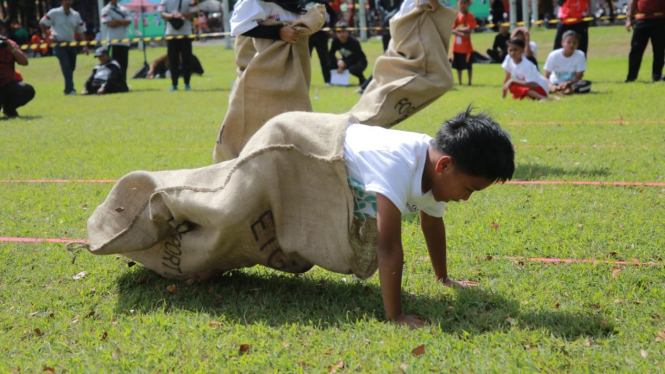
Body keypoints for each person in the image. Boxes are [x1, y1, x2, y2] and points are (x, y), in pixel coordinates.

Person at [39, 0, 88, 95]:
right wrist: (47, 36)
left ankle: (69, 87)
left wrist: (85, 46)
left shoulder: (76, 14)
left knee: (71, 67)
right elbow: (42, 23)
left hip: (71, 44)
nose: (68, 2)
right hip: (59, 44)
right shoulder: (54, 12)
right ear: (61, 2)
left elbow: (80, 31)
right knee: (66, 66)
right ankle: (69, 89)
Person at [159, 0, 197, 91]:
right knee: (172, 60)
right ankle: (174, 84)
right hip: (171, 34)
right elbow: (162, 13)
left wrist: (182, 15)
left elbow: (193, 13)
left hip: (186, 33)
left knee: (187, 59)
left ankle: (187, 84)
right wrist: (172, 15)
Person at [625, 0, 665, 82]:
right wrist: (629, 18)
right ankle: (631, 77)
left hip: (659, 19)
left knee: (659, 50)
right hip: (641, 19)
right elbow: (633, 1)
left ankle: (657, 77)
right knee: (635, 49)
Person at [0, 34, 35, 117]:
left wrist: (12, 49)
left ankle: (8, 109)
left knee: (27, 90)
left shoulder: (10, 44)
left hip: (7, 85)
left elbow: (24, 62)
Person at [101, 0, 132, 90]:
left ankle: (123, 84)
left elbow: (129, 21)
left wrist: (117, 20)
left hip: (124, 42)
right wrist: (122, 21)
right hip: (113, 42)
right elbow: (110, 23)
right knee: (115, 66)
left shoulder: (123, 8)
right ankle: (114, 85)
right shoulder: (105, 10)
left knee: (124, 65)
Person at [307, 0, 337, 85]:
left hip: (321, 35)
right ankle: (304, 81)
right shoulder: (303, 2)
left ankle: (328, 81)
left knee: (324, 59)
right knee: (305, 60)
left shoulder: (322, 2)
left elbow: (333, 14)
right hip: (307, 35)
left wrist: (330, 27)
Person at [329, 20, 368, 85]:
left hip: (359, 61)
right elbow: (331, 54)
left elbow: (356, 56)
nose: (341, 34)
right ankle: (332, 81)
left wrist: (344, 64)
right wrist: (338, 61)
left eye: (343, 32)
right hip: (345, 61)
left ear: (347, 31)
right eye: (339, 32)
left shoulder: (354, 42)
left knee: (353, 69)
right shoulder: (335, 41)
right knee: (329, 63)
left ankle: (362, 79)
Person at [450, 0, 477, 86]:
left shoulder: (470, 15)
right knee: (458, 66)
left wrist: (457, 30)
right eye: (461, 3)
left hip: (466, 46)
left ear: (468, 4)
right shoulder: (455, 15)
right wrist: (461, 33)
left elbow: (470, 29)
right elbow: (451, 29)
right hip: (456, 46)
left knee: (469, 65)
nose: (462, 5)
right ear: (458, 3)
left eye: (465, 3)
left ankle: (469, 82)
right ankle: (460, 82)